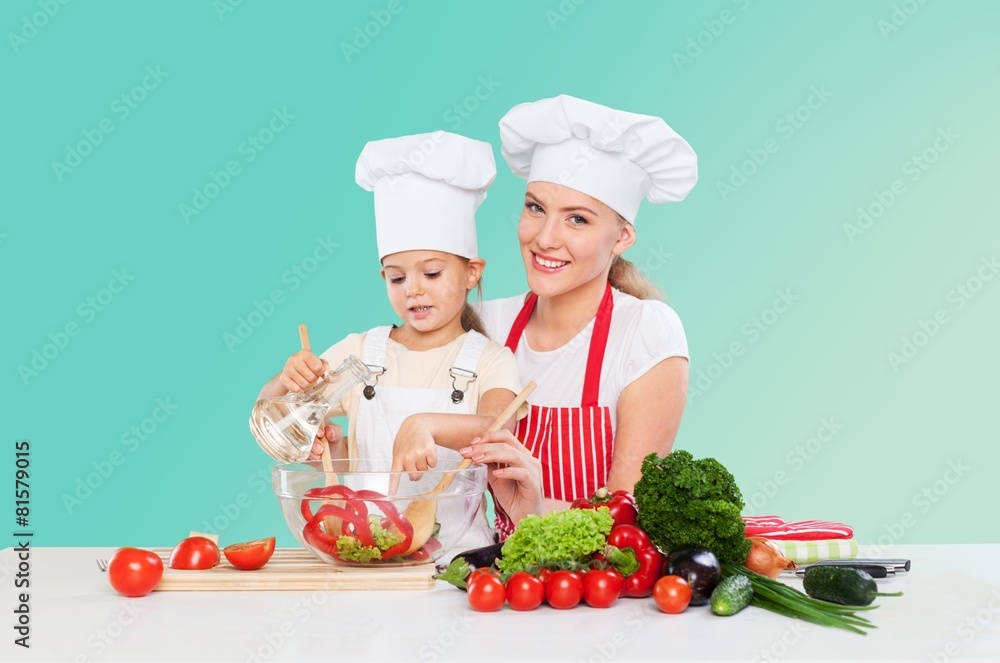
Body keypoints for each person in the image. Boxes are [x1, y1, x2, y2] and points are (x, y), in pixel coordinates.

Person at [255, 131, 524, 551]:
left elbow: (498, 427)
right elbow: (273, 416)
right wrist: (288, 381)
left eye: (431, 274)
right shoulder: (361, 352)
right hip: (368, 550)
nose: (413, 290)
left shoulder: (490, 360)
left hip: (460, 558)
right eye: (397, 277)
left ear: (472, 272)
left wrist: (424, 425)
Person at [463, 95, 698, 538]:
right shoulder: (482, 323)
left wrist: (534, 511)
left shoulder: (645, 333)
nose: (545, 238)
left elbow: (626, 522)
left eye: (577, 220)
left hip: (587, 598)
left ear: (623, 236)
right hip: (468, 584)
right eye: (535, 208)